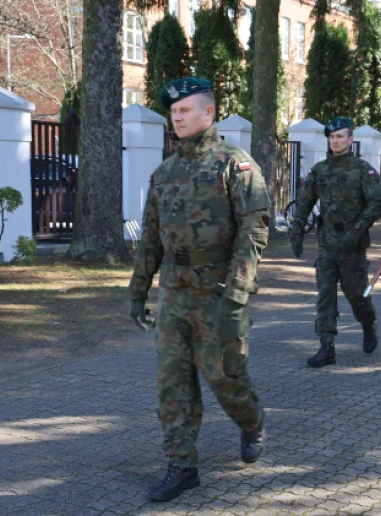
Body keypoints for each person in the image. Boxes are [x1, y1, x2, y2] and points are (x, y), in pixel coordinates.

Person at [129, 77, 268, 502]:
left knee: (225, 378)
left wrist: (238, 294)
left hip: (219, 292)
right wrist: (138, 291)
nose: (177, 116)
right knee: (172, 383)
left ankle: (252, 421)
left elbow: (254, 230)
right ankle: (182, 465)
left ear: (209, 113)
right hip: (174, 292)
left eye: (185, 110)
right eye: (173, 111)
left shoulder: (235, 165)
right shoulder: (164, 172)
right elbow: (150, 238)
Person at [290, 117, 381, 368]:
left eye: (341, 136)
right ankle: (326, 347)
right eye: (332, 137)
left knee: (357, 296)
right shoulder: (320, 170)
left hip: (352, 245)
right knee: (325, 295)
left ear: (350, 139)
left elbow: (376, 203)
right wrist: (297, 230)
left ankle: (368, 324)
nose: (336, 141)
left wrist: (357, 230)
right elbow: (304, 202)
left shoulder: (364, 170)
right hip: (327, 242)